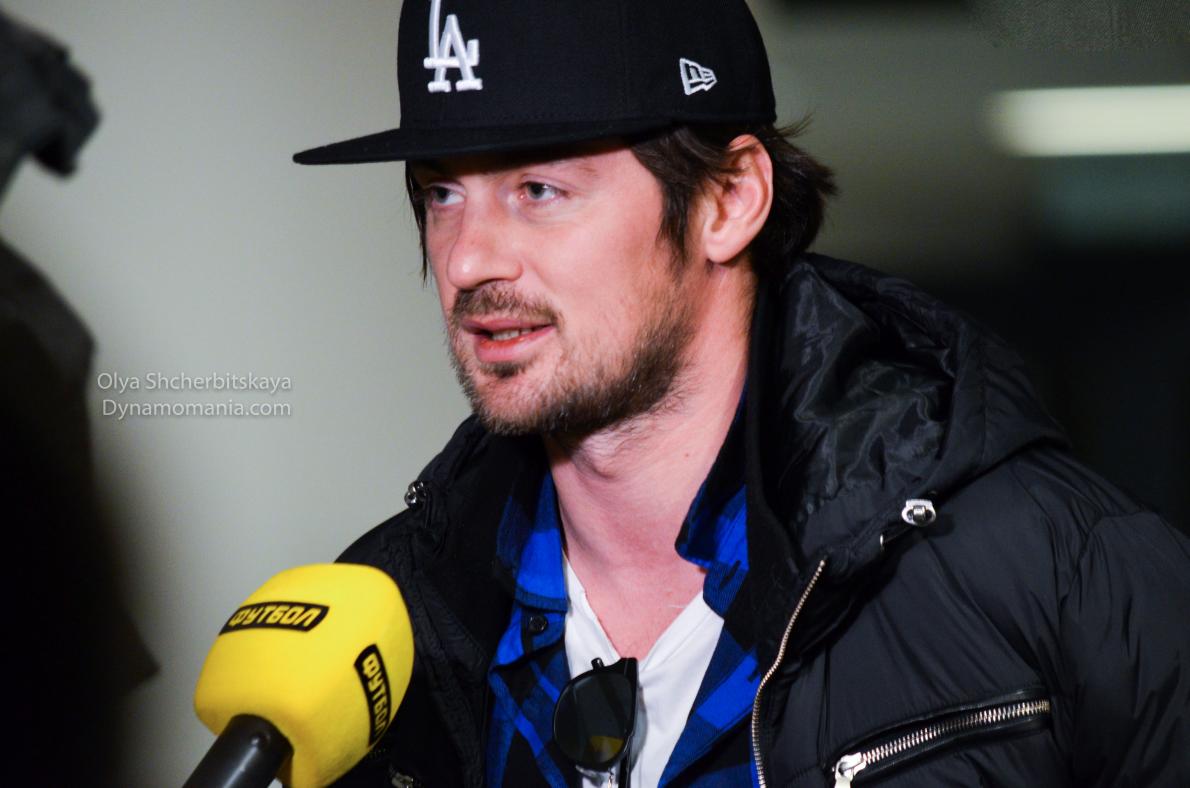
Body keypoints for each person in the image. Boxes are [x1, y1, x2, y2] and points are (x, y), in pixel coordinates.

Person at [293, 1, 1190, 785]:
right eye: (441, 195)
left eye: (538, 188)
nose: (466, 260)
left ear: (728, 200)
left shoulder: (1059, 569)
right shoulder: (386, 623)